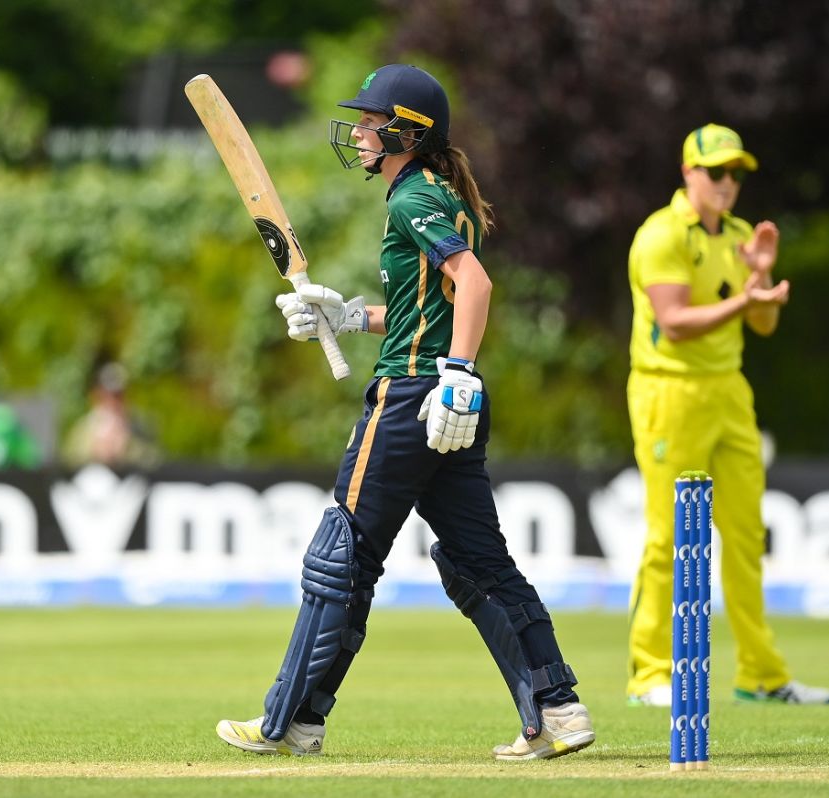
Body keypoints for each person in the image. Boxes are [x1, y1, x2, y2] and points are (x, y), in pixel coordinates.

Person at [215, 64, 594, 760]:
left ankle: (288, 721)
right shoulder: (438, 194)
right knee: (479, 561)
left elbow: (473, 285)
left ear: (404, 132)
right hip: (444, 398)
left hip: (414, 396)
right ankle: (557, 708)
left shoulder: (408, 198)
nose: (358, 131)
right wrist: (349, 314)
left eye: (369, 120)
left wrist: (457, 372)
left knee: (342, 555)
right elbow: (429, 308)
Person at [625, 124, 829, 706]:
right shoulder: (662, 234)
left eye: (735, 173)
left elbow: (762, 325)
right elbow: (674, 322)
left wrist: (761, 278)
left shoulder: (742, 236)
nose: (727, 184)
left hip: (728, 392)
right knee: (667, 536)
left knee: (745, 536)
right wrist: (746, 297)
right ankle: (649, 673)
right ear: (688, 173)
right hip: (670, 391)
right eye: (716, 172)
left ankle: (761, 674)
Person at [63, 362, 159, 469]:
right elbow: (69, 464)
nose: (114, 402)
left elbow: (155, 463)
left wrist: (126, 446)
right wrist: (97, 448)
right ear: (96, 395)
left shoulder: (142, 426)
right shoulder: (82, 429)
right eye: (108, 395)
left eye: (119, 395)